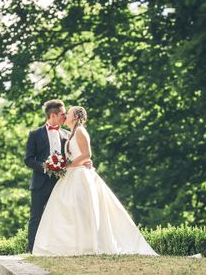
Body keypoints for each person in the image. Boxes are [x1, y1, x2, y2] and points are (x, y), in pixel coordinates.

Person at [32, 106, 157, 256]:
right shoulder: (71, 133)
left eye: (69, 113)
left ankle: (87, 246)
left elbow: (87, 154)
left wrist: (69, 165)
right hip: (71, 174)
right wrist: (61, 164)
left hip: (79, 176)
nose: (65, 115)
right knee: (68, 210)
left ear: (76, 117)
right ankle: (68, 246)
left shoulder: (80, 131)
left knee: (80, 209)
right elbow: (77, 155)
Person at [24, 99, 70, 252]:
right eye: (62, 114)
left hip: (60, 183)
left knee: (59, 217)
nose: (65, 116)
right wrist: (45, 167)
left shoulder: (67, 135)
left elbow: (71, 157)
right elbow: (28, 159)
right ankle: (31, 250)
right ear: (53, 115)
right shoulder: (35, 134)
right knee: (36, 217)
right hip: (40, 183)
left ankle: (55, 248)